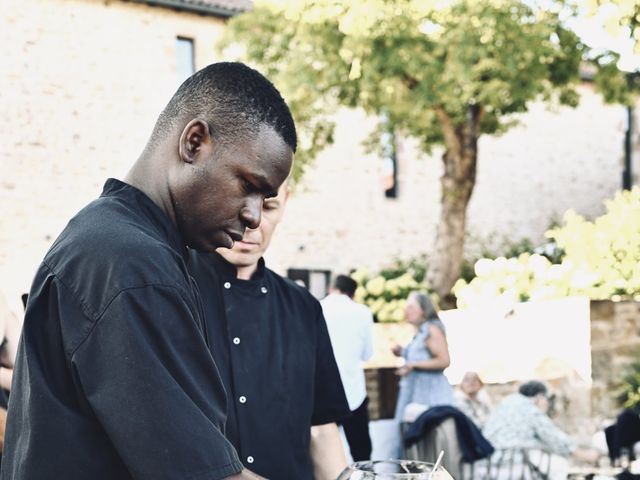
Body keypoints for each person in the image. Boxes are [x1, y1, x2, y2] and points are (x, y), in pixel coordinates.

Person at [2, 62, 295, 480]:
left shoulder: (107, 238)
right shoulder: (132, 266)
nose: (253, 217)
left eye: (267, 199)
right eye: (249, 185)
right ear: (194, 142)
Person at [187, 181, 351, 480]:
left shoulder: (304, 307)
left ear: (285, 202)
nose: (254, 222)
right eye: (240, 203)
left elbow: (322, 431)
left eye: (270, 206)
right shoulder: (174, 291)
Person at [483, 380, 599, 478]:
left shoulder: (505, 404)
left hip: (488, 462)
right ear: (540, 397)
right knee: (559, 465)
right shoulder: (528, 408)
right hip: (514, 460)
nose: (548, 404)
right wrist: (585, 454)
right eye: (547, 399)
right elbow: (553, 437)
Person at [321, 274, 375, 462]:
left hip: (322, 391)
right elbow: (367, 354)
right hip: (354, 392)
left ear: (331, 288)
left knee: (322, 453)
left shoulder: (316, 307)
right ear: (353, 294)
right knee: (361, 454)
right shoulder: (362, 312)